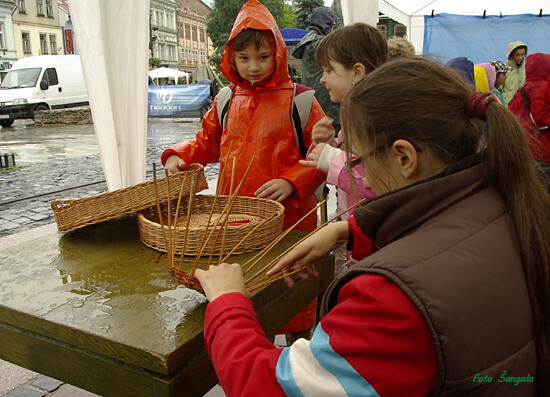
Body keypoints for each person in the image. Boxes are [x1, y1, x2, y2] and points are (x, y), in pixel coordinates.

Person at [195, 57, 550, 396]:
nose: (353, 172)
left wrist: (228, 303)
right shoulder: (509, 198)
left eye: (357, 159)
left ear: (404, 158)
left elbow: (270, 386)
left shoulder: (393, 301)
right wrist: (351, 229)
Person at [162, 0, 326, 341]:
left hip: (290, 221)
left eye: (263, 57)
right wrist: (178, 155)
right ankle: (255, 359)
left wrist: (292, 181)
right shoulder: (226, 100)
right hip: (236, 223)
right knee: (249, 294)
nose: (254, 66)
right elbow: (206, 142)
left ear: (278, 54)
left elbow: (324, 154)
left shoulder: (302, 100)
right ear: (232, 58)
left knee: (294, 299)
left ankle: (303, 362)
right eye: (245, 58)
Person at [302, 23, 387, 264]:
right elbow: (348, 156)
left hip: (377, 240)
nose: (322, 78)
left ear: (357, 72)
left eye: (329, 70)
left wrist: (329, 158)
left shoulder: (376, 117)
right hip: (359, 233)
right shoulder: (354, 113)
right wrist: (325, 142)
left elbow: (382, 182)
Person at [292, 6, 340, 131]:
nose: (333, 29)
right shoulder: (322, 43)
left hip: (313, 102)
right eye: (332, 25)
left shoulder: (307, 41)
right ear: (326, 24)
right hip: (328, 104)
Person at [509, 52, 550, 163]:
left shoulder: (520, 91)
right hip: (543, 147)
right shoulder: (546, 89)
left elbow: (510, 115)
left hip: (522, 145)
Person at [501, 41, 528, 105]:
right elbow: (499, 89)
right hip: (508, 106)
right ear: (511, 55)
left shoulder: (527, 68)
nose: (520, 58)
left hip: (524, 106)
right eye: (517, 55)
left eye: (522, 54)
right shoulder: (504, 69)